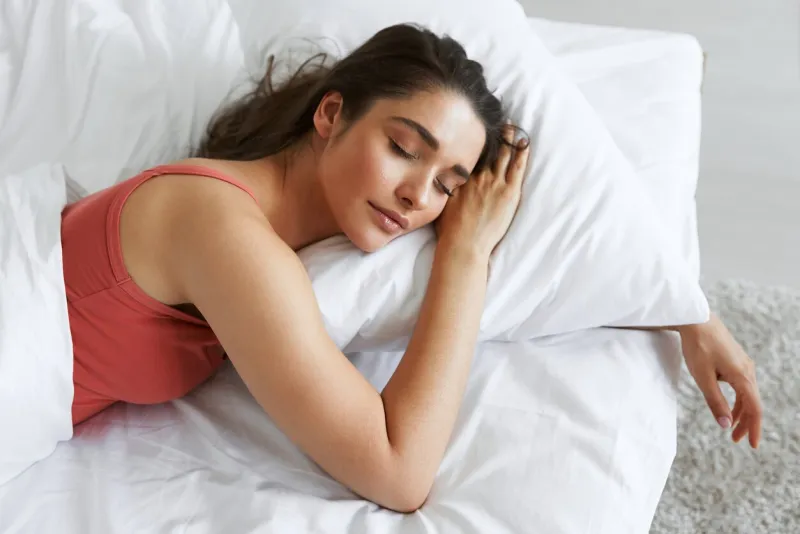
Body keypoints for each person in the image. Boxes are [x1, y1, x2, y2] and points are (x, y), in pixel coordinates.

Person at [60, 23, 762, 512]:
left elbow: (587, 230)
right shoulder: (225, 231)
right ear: (331, 113)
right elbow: (399, 472)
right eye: (404, 147)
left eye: (451, 187)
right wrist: (463, 254)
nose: (418, 197)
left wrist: (686, 310)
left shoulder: (256, 234)